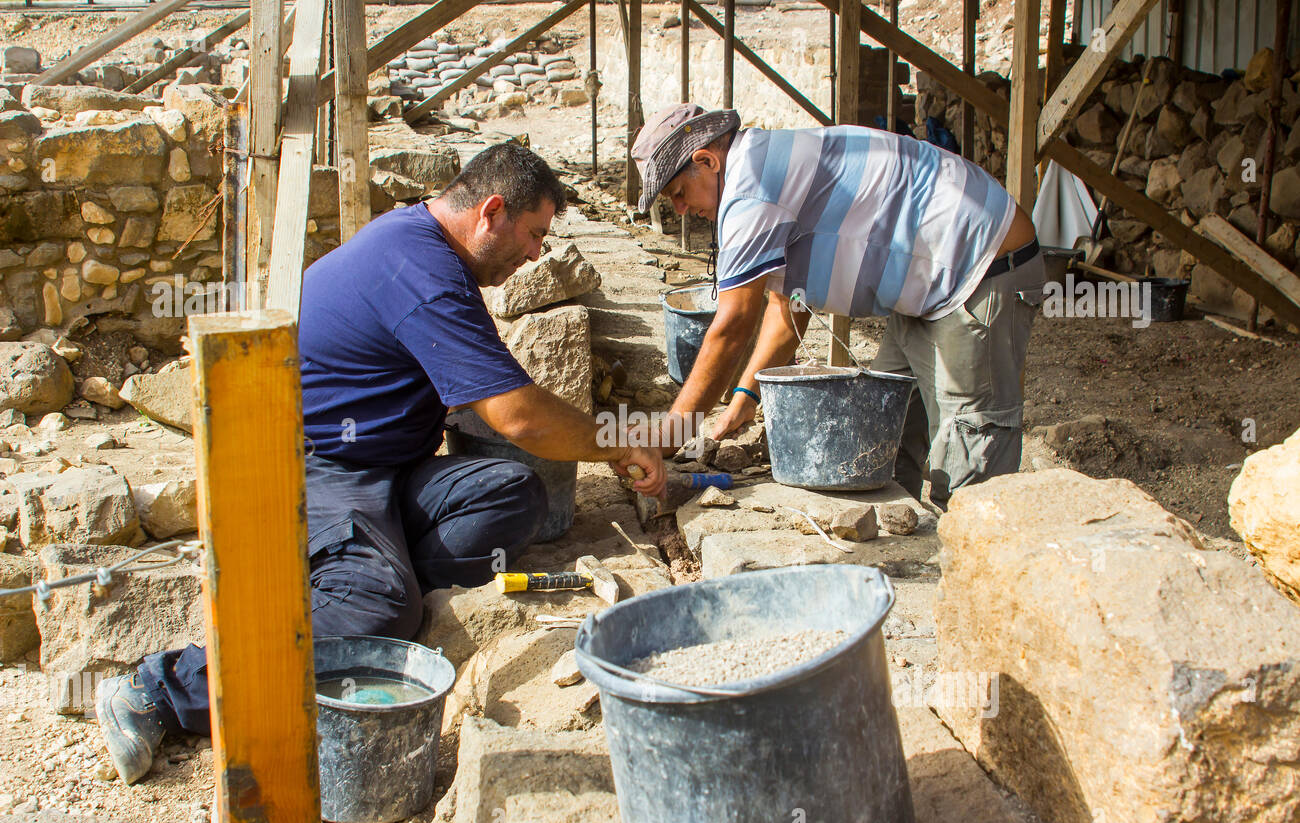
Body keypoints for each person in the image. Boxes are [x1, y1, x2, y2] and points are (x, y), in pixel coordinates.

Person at [95, 142, 667, 784]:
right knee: (384, 607)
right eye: (534, 234)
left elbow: (488, 400)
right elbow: (520, 416)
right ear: (492, 211)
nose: (537, 253)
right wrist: (618, 441)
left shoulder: (421, 244)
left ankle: (359, 581)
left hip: (385, 467)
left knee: (512, 493)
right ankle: (160, 690)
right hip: (320, 469)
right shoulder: (420, 270)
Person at [630, 104, 1045, 510]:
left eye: (679, 193)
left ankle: (969, 557)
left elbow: (733, 324)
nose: (681, 209)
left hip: (979, 266)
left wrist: (670, 434)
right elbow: (788, 306)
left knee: (968, 455)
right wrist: (746, 395)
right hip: (926, 283)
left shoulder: (750, 188)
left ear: (706, 160)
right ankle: (903, 547)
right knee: (884, 433)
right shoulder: (757, 167)